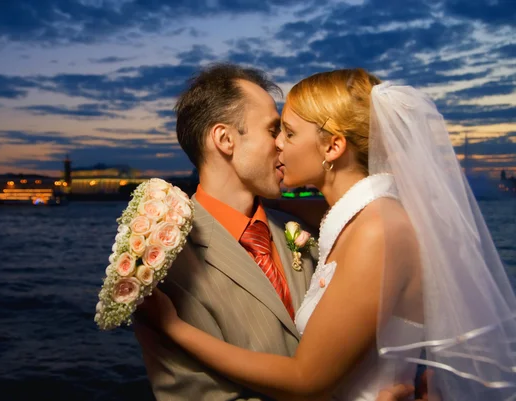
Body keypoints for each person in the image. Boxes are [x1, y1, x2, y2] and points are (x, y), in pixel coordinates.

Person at [140, 68, 516, 401]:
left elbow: (311, 377)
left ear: (334, 146)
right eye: (275, 130)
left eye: (286, 131)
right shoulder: (159, 257)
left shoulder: (362, 228)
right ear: (224, 140)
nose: (279, 144)